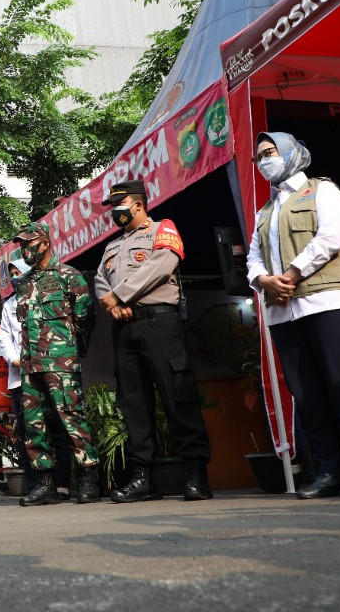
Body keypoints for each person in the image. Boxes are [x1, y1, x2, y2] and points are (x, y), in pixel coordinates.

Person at [246, 132, 340, 499]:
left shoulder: (323, 191)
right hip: (284, 311)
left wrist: (290, 274)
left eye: (270, 152)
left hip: (329, 300)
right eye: (259, 157)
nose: (264, 161)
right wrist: (263, 280)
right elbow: (253, 257)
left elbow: (332, 237)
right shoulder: (265, 211)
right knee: (308, 397)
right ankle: (329, 470)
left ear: (291, 153)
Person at [94, 180, 212, 504]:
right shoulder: (111, 246)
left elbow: (161, 265)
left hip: (158, 322)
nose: (114, 213)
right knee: (134, 405)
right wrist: (112, 304)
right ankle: (142, 478)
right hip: (125, 328)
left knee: (178, 396)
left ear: (137, 204)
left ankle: (196, 475)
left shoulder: (162, 228)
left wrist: (119, 295)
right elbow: (100, 281)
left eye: (119, 205)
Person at [12, 223, 101, 506]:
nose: (25, 250)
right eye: (22, 245)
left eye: (30, 243)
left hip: (61, 361)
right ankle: (45, 484)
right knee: (34, 426)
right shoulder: (23, 284)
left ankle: (87, 479)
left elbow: (85, 316)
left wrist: (73, 350)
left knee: (72, 418)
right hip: (30, 364)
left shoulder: (68, 275)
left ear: (45, 243)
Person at [0, 258, 75, 499]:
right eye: (11, 274)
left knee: (58, 428)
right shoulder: (9, 304)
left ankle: (61, 483)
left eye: (18, 272)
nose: (14, 277)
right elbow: (4, 339)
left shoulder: (48, 296)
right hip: (21, 377)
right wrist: (15, 359)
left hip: (50, 371)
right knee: (29, 432)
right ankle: (36, 484)